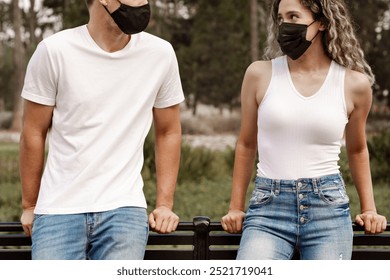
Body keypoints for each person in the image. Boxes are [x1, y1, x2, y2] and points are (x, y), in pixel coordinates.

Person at [221, 0, 387, 260]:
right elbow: (245, 144)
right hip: (268, 210)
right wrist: (235, 207)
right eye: (281, 18)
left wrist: (369, 209)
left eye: (294, 16)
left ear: (321, 22)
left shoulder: (354, 84)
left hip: (328, 210)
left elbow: (357, 150)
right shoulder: (259, 74)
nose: (285, 25)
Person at [19, 0, 184, 260]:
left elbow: (169, 132)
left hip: (124, 210)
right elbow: (33, 132)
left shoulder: (160, 54)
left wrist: (165, 204)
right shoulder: (54, 51)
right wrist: (29, 204)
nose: (142, 3)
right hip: (58, 210)